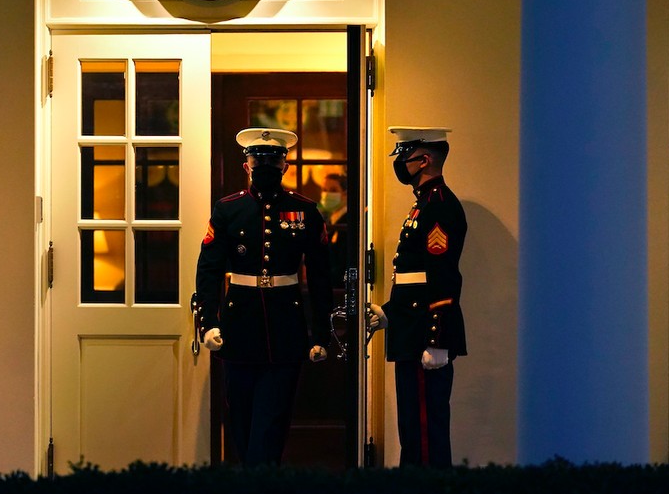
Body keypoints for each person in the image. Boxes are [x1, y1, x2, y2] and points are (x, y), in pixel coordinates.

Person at [195, 127, 334, 466]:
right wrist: (208, 322)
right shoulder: (228, 209)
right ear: (246, 165)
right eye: (258, 159)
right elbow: (209, 268)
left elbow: (319, 276)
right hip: (239, 321)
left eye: (273, 159)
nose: (265, 164)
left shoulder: (305, 210)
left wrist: (321, 334)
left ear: (285, 165)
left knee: (272, 418)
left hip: (286, 323)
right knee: (240, 415)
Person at [368, 126, 467, 468]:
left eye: (403, 157)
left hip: (425, 332)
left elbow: (442, 276)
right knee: (413, 426)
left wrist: (437, 339)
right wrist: (389, 312)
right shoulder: (424, 203)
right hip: (411, 328)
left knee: (426, 429)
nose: (399, 165)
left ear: (424, 160)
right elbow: (414, 277)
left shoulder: (439, 205)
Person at [319, 172, 348, 287]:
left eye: (333, 190)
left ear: (345, 193)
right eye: (324, 190)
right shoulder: (331, 221)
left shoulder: (347, 222)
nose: (327, 194)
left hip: (339, 288)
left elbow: (342, 264)